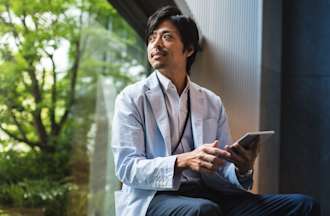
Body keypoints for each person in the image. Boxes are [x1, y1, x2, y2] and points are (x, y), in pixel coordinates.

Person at [111, 5, 320, 216]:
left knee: (303, 205)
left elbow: (220, 167)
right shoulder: (131, 98)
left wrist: (242, 168)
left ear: (189, 49)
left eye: (166, 37)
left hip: (209, 193)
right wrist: (183, 161)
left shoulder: (211, 101)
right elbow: (127, 168)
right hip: (155, 196)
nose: (155, 44)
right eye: (152, 37)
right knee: (204, 210)